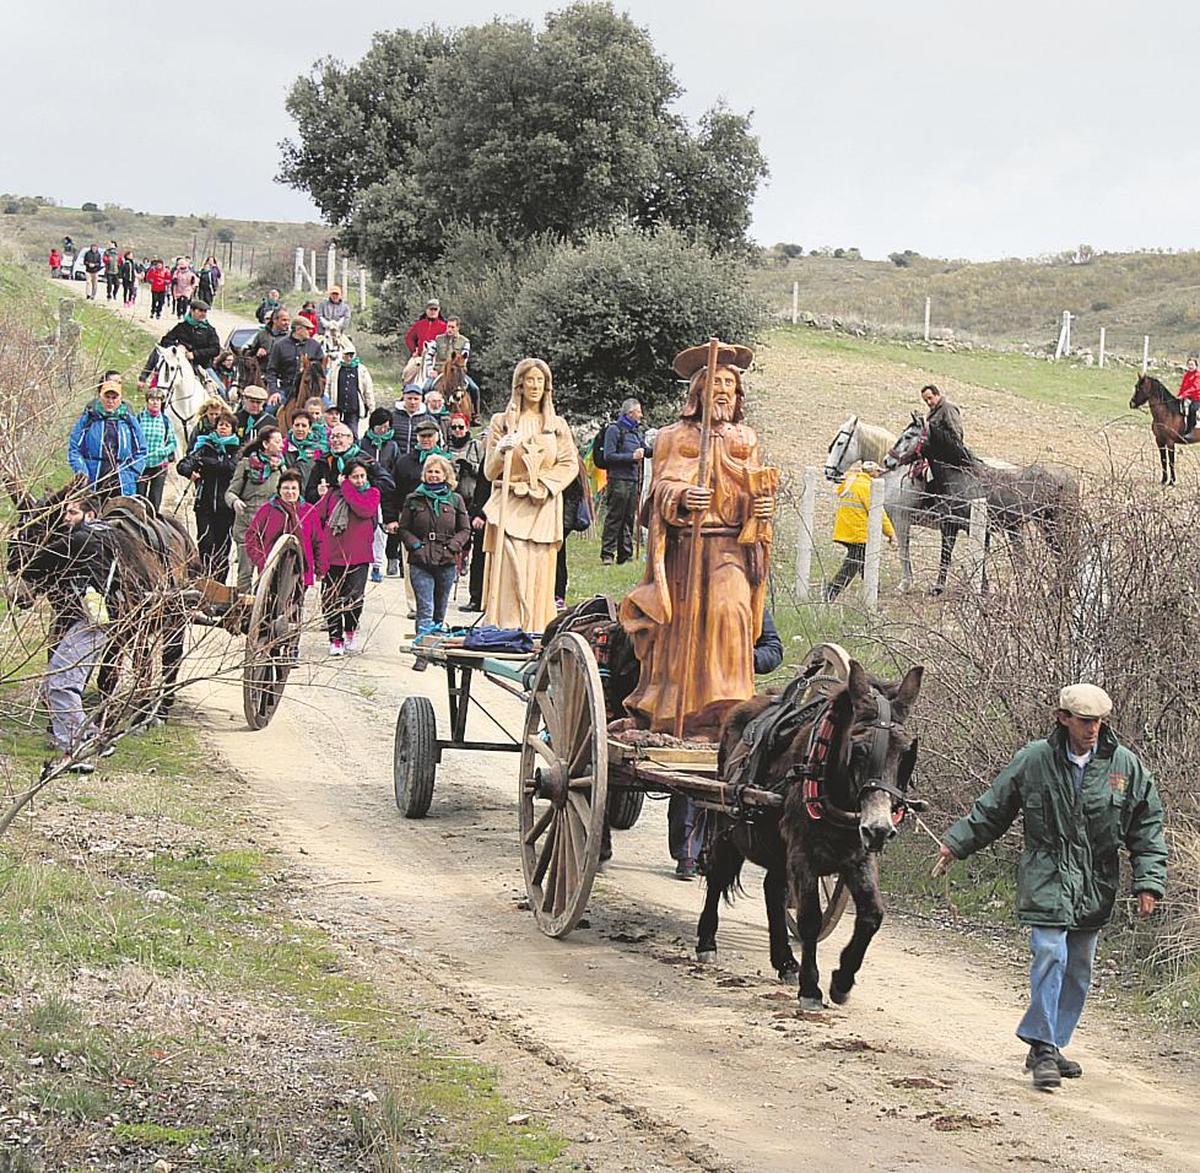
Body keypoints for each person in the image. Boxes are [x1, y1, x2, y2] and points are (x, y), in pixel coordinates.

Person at [934, 684, 1167, 1090]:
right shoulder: (1034, 760)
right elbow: (993, 808)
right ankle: (1042, 1049)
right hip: (1047, 874)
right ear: (1063, 719)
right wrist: (956, 844)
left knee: (1079, 968)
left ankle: (1052, 1041)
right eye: (1084, 721)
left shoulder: (1124, 767)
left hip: (1095, 880)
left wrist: (1148, 881)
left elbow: (1146, 827)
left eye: (1098, 721)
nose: (1093, 729)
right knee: (1048, 952)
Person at [619, 343, 776, 738]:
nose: (723, 390)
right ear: (698, 392)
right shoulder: (674, 437)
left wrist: (761, 504)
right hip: (686, 550)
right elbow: (656, 493)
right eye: (715, 383)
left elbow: (755, 487)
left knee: (731, 614)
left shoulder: (746, 439)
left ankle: (728, 712)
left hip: (729, 547)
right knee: (684, 623)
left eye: (729, 384)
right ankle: (677, 712)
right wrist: (682, 496)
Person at [669, 609, 784, 878]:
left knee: (730, 782)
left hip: (735, 706)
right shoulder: (688, 598)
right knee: (691, 776)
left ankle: (713, 850)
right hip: (687, 703)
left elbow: (774, 651)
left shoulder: (749, 604)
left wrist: (745, 657)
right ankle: (687, 854)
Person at [20, 494, 116, 772]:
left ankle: (73, 752)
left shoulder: (81, 539)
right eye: (65, 513)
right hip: (89, 619)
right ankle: (94, 738)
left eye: (72, 513)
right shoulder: (95, 537)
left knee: (62, 682)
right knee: (56, 678)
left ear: (89, 515)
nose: (66, 517)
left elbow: (39, 561)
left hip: (94, 621)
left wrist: (38, 533)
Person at [481, 359, 578, 631]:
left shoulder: (557, 425)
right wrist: (501, 450)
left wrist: (545, 485)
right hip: (510, 503)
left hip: (544, 507)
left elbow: (570, 464)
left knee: (540, 571)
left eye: (540, 380)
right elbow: (490, 472)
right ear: (519, 385)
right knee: (512, 570)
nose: (535, 385)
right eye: (530, 380)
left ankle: (536, 627)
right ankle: (507, 626)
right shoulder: (503, 422)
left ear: (547, 386)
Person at [399, 453, 471, 669]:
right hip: (421, 560)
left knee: (440, 609)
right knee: (425, 608)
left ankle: (437, 648)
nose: (433, 475)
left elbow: (465, 529)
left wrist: (453, 547)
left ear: (445, 475)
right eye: (429, 471)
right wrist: (415, 546)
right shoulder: (414, 499)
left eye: (437, 472)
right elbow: (404, 528)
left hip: (446, 560)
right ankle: (422, 652)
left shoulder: (455, 500)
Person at [314, 458, 380, 655]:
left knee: (354, 598)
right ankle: (335, 638)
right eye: (354, 477)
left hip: (359, 555)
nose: (359, 480)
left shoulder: (372, 494)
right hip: (333, 553)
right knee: (330, 597)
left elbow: (364, 510)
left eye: (362, 476)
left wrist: (347, 488)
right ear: (346, 477)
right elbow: (318, 515)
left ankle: (350, 629)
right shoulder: (332, 495)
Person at [176, 410, 240, 582]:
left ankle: (220, 583)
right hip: (204, 504)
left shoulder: (236, 449)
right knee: (205, 544)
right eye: (221, 425)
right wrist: (190, 472)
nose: (223, 428)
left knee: (222, 547)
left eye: (227, 426)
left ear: (233, 429)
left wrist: (206, 464)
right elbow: (183, 465)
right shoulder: (205, 446)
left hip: (225, 507)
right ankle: (204, 581)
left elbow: (230, 467)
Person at [226, 425, 286, 594]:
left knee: (266, 573)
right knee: (245, 572)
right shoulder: (246, 465)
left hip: (270, 527)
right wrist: (235, 502)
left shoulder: (281, 468)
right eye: (277, 441)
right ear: (266, 444)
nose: (281, 445)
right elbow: (230, 492)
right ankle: (242, 609)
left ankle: (261, 611)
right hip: (246, 524)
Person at [824, 461, 895, 602]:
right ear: (872, 473)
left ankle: (874, 592)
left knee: (863, 562)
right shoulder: (867, 487)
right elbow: (878, 512)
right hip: (857, 532)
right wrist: (891, 534)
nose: (879, 474)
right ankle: (831, 592)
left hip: (845, 529)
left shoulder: (852, 482)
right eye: (877, 472)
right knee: (852, 565)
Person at [68, 380, 147, 501]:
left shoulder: (128, 420)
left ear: (120, 399)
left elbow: (141, 450)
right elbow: (74, 448)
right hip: (93, 479)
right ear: (101, 396)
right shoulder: (89, 419)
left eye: (114, 397)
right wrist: (82, 472)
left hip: (122, 481)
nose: (110, 401)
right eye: (107, 396)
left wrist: (132, 472)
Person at [244, 468, 322, 589]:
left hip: (300, 571)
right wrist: (262, 560)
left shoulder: (309, 511)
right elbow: (252, 537)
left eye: (293, 488)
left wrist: (320, 567)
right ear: (279, 490)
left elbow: (318, 541)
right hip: (271, 570)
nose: (290, 492)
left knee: (295, 606)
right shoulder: (267, 510)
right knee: (271, 606)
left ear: (299, 490)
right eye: (286, 488)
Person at [600, 398, 646, 565]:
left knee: (628, 518)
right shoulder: (614, 430)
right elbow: (609, 456)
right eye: (639, 411)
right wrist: (631, 457)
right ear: (630, 413)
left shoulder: (635, 432)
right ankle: (607, 554)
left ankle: (625, 555)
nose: (641, 415)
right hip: (617, 479)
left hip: (633, 480)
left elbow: (644, 450)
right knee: (614, 517)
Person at [361, 408, 404, 582]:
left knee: (383, 529)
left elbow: (396, 468)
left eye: (386, 427)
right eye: (380, 426)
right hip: (367, 491)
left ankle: (381, 563)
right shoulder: (362, 443)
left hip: (386, 492)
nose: (383, 430)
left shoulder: (392, 446)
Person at [140, 299, 221, 387]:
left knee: (221, 389)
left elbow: (215, 349)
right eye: (200, 311)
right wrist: (179, 347)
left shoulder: (209, 330)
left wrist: (195, 354)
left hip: (203, 366)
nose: (203, 314)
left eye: (205, 311)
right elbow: (165, 341)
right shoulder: (181, 327)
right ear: (192, 311)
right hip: (180, 364)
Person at [919, 384, 972, 492]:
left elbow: (956, 434)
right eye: (926, 401)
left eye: (930, 398)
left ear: (937, 395)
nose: (928, 403)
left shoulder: (948, 409)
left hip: (947, 457)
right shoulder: (932, 412)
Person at [265, 318, 323, 416]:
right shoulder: (280, 345)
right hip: (286, 388)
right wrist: (274, 391)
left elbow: (321, 370)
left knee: (330, 408)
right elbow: (271, 371)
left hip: (310, 390)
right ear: (298, 329)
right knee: (270, 410)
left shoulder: (315, 346)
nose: (311, 331)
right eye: (307, 329)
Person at [135, 388, 177, 511]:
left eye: (158, 400)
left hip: (159, 466)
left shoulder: (165, 421)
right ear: (147, 401)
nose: (155, 402)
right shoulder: (139, 418)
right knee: (139, 498)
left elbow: (173, 443)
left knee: (155, 499)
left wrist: (163, 451)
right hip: (142, 465)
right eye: (152, 399)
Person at [328, 342, 375, 438]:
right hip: (338, 408)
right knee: (337, 433)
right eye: (346, 355)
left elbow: (368, 390)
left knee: (353, 433)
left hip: (354, 409)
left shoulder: (361, 370)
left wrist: (371, 408)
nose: (349, 358)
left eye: (351, 355)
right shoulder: (336, 369)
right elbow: (328, 387)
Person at [284, 411, 326, 495]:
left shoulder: (318, 449)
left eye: (304, 426)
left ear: (309, 428)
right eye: (297, 425)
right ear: (292, 426)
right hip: (289, 494)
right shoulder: (284, 446)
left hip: (310, 496)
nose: (300, 429)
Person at [391, 384, 435, 456]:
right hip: (396, 461)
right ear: (404, 398)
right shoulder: (393, 417)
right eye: (409, 398)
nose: (412, 402)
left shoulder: (429, 419)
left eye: (416, 399)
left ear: (421, 400)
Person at [404, 298, 447, 364]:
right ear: (426, 310)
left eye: (435, 309)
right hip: (420, 357)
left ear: (438, 310)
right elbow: (409, 338)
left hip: (437, 359)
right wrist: (414, 350)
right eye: (431, 309)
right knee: (407, 372)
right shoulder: (419, 324)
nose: (433, 312)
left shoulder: (444, 326)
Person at [1178, 357, 1200, 435]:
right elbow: (1183, 387)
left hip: (1197, 398)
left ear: (1196, 366)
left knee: (1192, 409)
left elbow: (1195, 388)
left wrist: (1183, 395)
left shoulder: (1198, 375)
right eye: (1189, 364)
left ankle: (1191, 429)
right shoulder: (1186, 375)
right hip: (1187, 397)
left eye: (1192, 364)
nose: (1190, 366)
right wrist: (1179, 395)